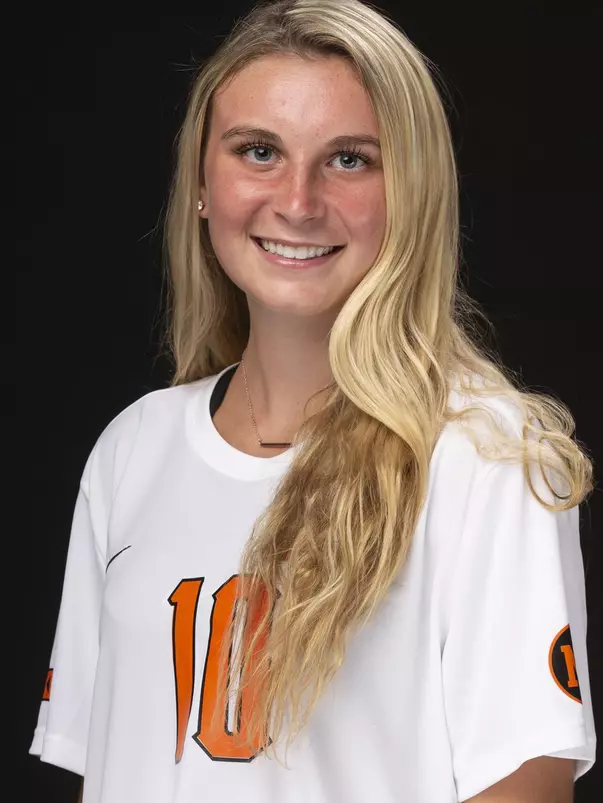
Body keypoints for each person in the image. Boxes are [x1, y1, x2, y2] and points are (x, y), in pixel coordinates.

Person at [30, 1, 596, 801]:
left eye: (349, 159)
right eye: (258, 151)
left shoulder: (485, 459)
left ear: (412, 193)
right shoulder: (132, 450)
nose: (297, 201)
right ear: (202, 184)